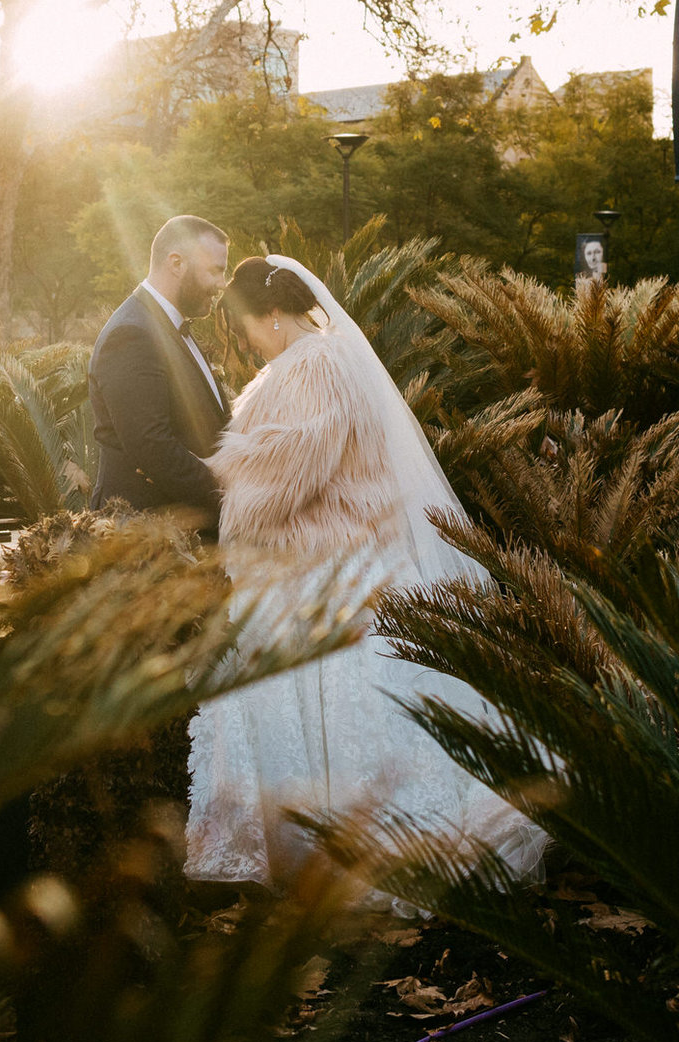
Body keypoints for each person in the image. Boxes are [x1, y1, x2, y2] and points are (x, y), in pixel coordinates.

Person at [183, 253, 546, 894]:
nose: (246, 342)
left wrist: (228, 483)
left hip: (326, 561)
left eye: (246, 327)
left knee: (344, 698)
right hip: (330, 556)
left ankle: (363, 852)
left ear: (271, 315)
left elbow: (296, 463)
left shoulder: (314, 365)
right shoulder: (314, 363)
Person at [87, 216, 232, 529]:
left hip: (184, 531)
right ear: (177, 263)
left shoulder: (171, 327)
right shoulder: (132, 334)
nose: (222, 284)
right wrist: (232, 498)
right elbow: (152, 446)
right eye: (216, 270)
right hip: (147, 535)